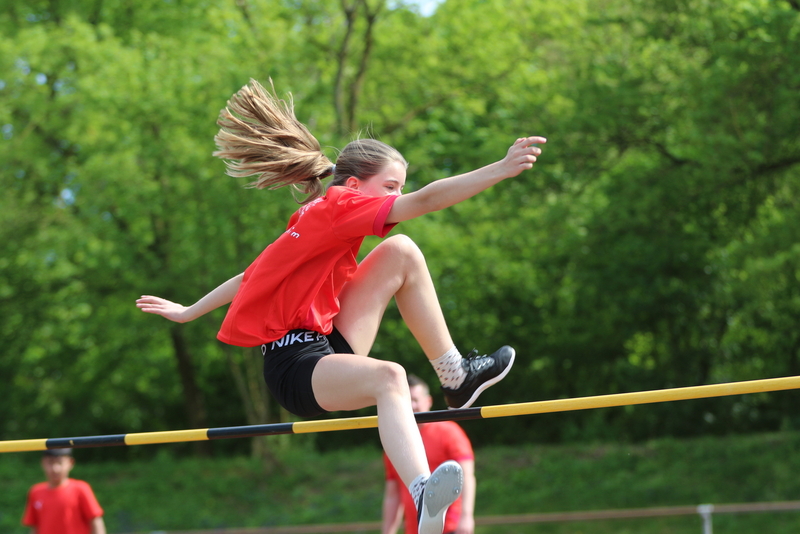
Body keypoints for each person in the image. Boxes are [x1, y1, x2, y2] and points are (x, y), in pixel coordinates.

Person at [136, 79, 545, 534]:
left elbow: (252, 275)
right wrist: (499, 169)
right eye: (389, 187)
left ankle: (456, 376)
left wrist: (190, 310)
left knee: (402, 251)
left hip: (327, 343)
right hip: (295, 367)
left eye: (399, 188)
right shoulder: (339, 206)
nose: (395, 197)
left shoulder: (316, 214)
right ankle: (422, 492)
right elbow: (427, 200)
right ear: (353, 185)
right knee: (390, 377)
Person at [383, 375, 476, 534]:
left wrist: (466, 516)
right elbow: (393, 494)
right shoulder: (395, 442)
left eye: (415, 399)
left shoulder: (449, 432)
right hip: (415, 530)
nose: (412, 405)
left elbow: (466, 476)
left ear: (428, 401)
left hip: (450, 528)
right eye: (407, 401)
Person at [22, 448, 106, 534]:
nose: (55, 468)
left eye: (60, 463)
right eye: (50, 462)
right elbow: (34, 527)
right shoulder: (36, 492)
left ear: (70, 463)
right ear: (43, 463)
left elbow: (96, 520)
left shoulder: (81, 489)